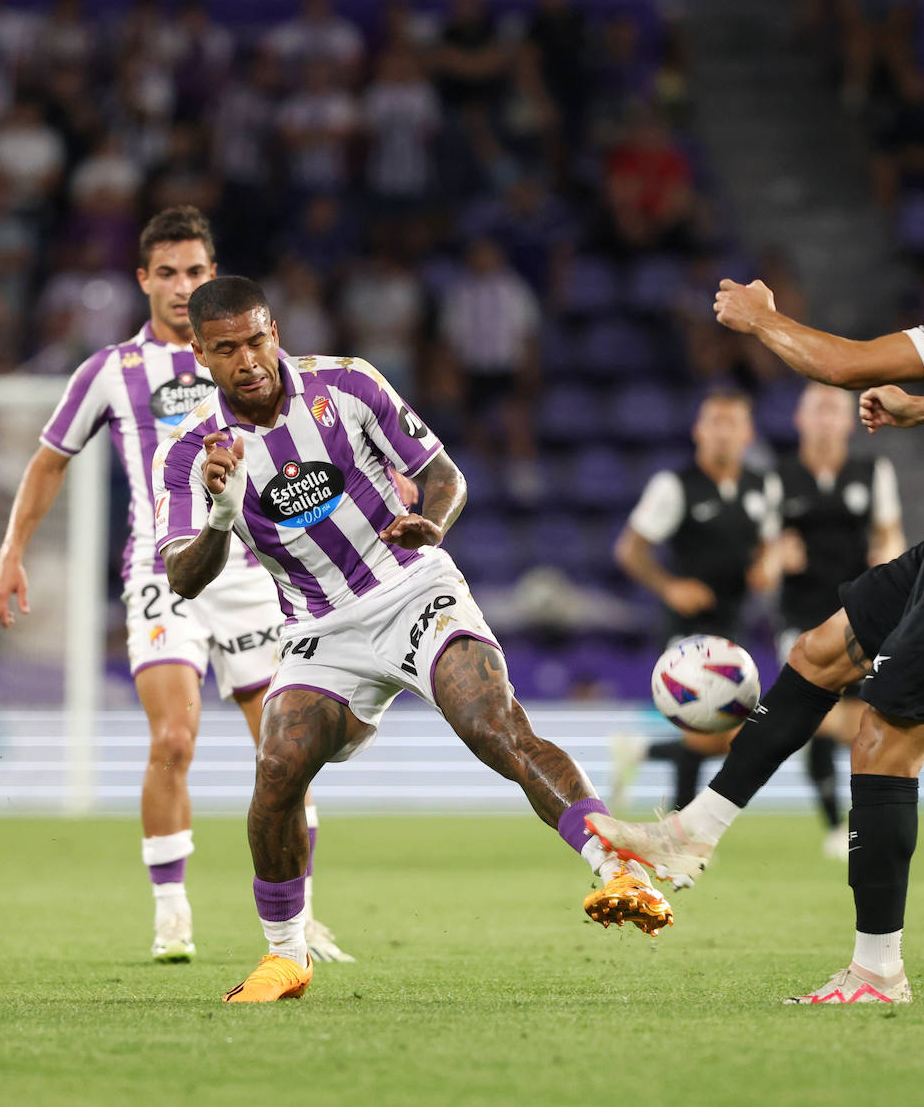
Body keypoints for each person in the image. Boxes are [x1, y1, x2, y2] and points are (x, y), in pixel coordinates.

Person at [587, 160, 924, 1005]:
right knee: (820, 651)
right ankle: (693, 832)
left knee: (881, 741)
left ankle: (877, 971)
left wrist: (762, 320)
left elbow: (846, 365)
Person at [152, 276, 672, 1003]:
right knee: (277, 769)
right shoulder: (188, 455)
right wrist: (218, 514)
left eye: (259, 338)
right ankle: (287, 957)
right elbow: (181, 578)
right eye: (228, 349)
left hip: (412, 589)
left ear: (276, 329)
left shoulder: (349, 385)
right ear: (201, 355)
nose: (250, 360)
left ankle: (619, 868)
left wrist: (433, 520)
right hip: (319, 628)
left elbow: (442, 475)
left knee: (493, 726)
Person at [0, 207, 352, 965]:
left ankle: (302, 917)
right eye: (169, 272)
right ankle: (172, 915)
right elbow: (51, 458)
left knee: (283, 753)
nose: (184, 286)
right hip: (164, 573)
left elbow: (314, 441)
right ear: (144, 279)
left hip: (251, 574)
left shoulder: (249, 358)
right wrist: (11, 550)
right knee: (173, 738)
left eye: (196, 271)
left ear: (213, 274)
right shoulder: (112, 371)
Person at [611, 391, 781, 810]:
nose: (723, 432)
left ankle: (641, 755)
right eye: (715, 422)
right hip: (686, 625)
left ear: (748, 433)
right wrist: (670, 587)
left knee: (724, 735)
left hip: (733, 622)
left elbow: (772, 543)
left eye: (732, 423)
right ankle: (680, 828)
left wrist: (768, 565)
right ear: (698, 431)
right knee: (705, 728)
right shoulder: (675, 486)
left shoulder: (764, 486)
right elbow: (630, 549)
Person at [775, 383, 905, 860]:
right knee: (815, 713)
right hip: (800, 617)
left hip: (857, 614)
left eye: (835, 408)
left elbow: (891, 534)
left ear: (849, 422)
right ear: (800, 419)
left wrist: (887, 561)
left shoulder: (873, 471)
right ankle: (836, 823)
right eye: (818, 408)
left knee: (853, 723)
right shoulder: (778, 476)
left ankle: (849, 821)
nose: (827, 416)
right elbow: (762, 549)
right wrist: (775, 556)